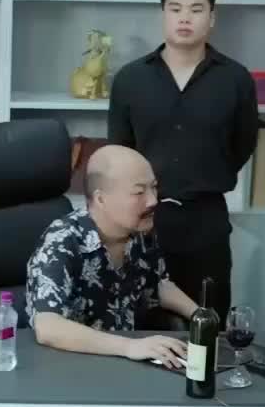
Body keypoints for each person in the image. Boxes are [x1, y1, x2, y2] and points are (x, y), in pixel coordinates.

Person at [106, 0, 259, 325]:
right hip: (143, 222)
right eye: (175, 9)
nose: (185, 18)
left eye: (196, 9)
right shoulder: (131, 79)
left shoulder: (235, 79)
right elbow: (120, 151)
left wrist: (204, 175)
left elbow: (243, 144)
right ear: (163, 14)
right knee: (140, 324)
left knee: (207, 323)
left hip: (206, 222)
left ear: (212, 18)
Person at [26, 144, 196, 367]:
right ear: (101, 199)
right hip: (69, 364)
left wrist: (201, 315)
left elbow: (157, 284)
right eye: (139, 192)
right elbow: (48, 327)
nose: (153, 200)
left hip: (125, 361)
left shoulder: (141, 232)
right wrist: (129, 347)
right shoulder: (62, 241)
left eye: (154, 188)